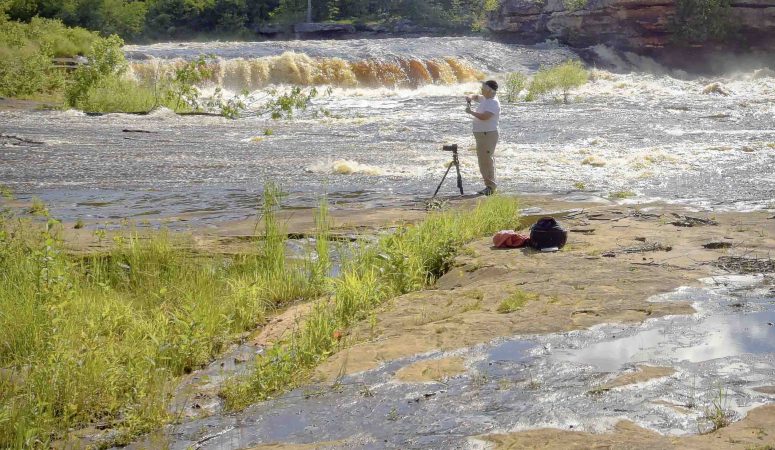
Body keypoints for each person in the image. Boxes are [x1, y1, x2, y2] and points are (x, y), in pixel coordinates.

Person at [465, 80, 501, 196]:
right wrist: (470, 97)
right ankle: (489, 186)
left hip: (488, 134)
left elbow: (485, 117)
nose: (481, 90)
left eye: (483, 89)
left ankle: (490, 187)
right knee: (483, 160)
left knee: (486, 161)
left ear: (490, 90)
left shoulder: (493, 102)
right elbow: (476, 97)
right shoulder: (486, 98)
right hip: (482, 134)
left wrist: (471, 112)